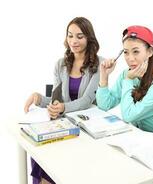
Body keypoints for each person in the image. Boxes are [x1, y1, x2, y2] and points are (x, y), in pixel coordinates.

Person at [24, 17, 102, 184]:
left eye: (80, 36)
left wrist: (62, 107)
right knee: (40, 153)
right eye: (70, 35)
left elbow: (87, 100)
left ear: (89, 38)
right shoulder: (60, 64)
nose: (74, 41)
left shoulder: (98, 64)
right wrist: (39, 99)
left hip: (86, 126)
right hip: (64, 123)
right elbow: (56, 98)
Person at [96, 25, 153, 146]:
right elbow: (105, 105)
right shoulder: (127, 74)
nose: (130, 58)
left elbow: (129, 116)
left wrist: (128, 79)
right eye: (126, 52)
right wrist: (104, 76)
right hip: (143, 136)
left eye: (136, 51)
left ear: (149, 52)